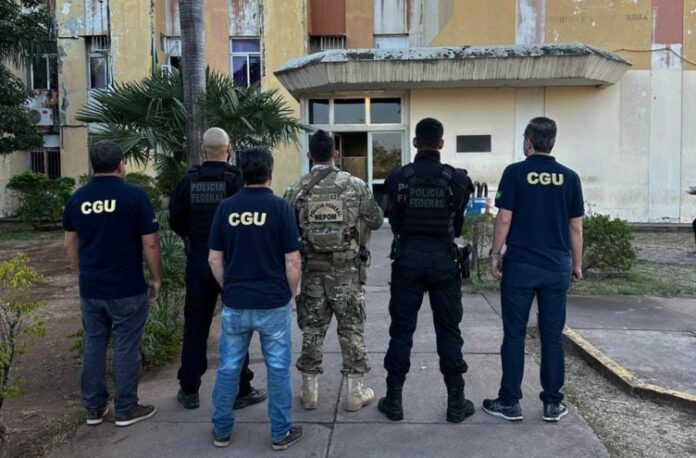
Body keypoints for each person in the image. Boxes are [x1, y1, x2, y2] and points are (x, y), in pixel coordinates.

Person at [483, 117, 584, 423]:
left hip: (521, 267)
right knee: (552, 336)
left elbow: (504, 218)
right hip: (556, 267)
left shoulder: (514, 173)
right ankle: (552, 403)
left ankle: (510, 402)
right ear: (552, 142)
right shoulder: (570, 177)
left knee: (514, 335)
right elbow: (575, 226)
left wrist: (495, 254)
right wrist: (576, 264)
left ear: (528, 142)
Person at [379, 118, 475, 423]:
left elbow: (391, 215)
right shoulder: (457, 179)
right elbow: (458, 223)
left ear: (415, 142)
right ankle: (456, 402)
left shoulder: (397, 177)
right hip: (443, 261)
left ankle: (394, 399)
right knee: (449, 330)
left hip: (407, 259)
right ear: (441, 143)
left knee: (401, 330)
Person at [208, 147, 303, 450]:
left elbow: (214, 259)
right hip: (272, 302)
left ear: (241, 173)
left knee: (228, 367)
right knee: (278, 369)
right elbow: (292, 261)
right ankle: (280, 433)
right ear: (270, 173)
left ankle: (221, 430)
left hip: (236, 301)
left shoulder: (225, 208)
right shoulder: (280, 208)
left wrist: (229, 288)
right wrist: (291, 294)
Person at [62, 140, 161, 427]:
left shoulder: (77, 198)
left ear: (93, 166)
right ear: (121, 165)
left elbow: (70, 243)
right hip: (126, 287)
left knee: (94, 344)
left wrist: (80, 273)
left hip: (91, 287)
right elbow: (150, 243)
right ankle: (126, 408)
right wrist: (156, 277)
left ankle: (94, 409)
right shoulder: (134, 196)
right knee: (125, 345)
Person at [284, 130, 383, 412]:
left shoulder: (296, 189)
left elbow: (286, 230)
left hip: (312, 273)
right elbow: (376, 220)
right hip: (347, 273)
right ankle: (354, 394)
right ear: (335, 154)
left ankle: (309, 394)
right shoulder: (355, 185)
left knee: (312, 331)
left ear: (309, 155)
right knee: (352, 330)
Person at [169, 127, 266, 410]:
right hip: (232, 261)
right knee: (237, 325)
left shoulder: (188, 182)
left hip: (199, 258)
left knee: (195, 324)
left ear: (203, 150)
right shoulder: (237, 181)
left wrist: (194, 237)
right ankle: (241, 388)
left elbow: (175, 219)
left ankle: (189, 389)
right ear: (229, 149)